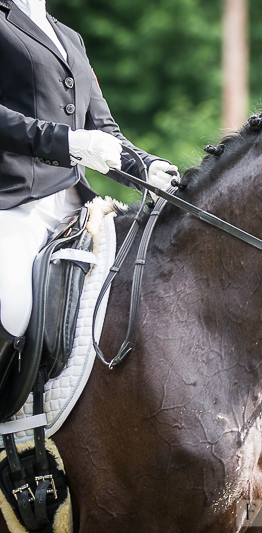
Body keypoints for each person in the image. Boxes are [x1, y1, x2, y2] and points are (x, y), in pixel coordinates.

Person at [0, 0, 178, 373]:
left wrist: (145, 167)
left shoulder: (69, 37)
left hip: (77, 208)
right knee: (12, 308)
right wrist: (65, 142)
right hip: (13, 199)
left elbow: (102, 129)